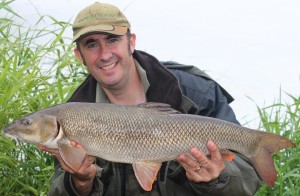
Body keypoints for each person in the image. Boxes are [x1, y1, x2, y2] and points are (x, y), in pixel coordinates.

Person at [39, 2, 262, 195]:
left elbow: (250, 178)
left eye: (112, 39)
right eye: (91, 44)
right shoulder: (71, 115)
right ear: (80, 55)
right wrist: (80, 182)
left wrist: (216, 178)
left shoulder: (194, 93)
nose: (105, 53)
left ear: (131, 42)